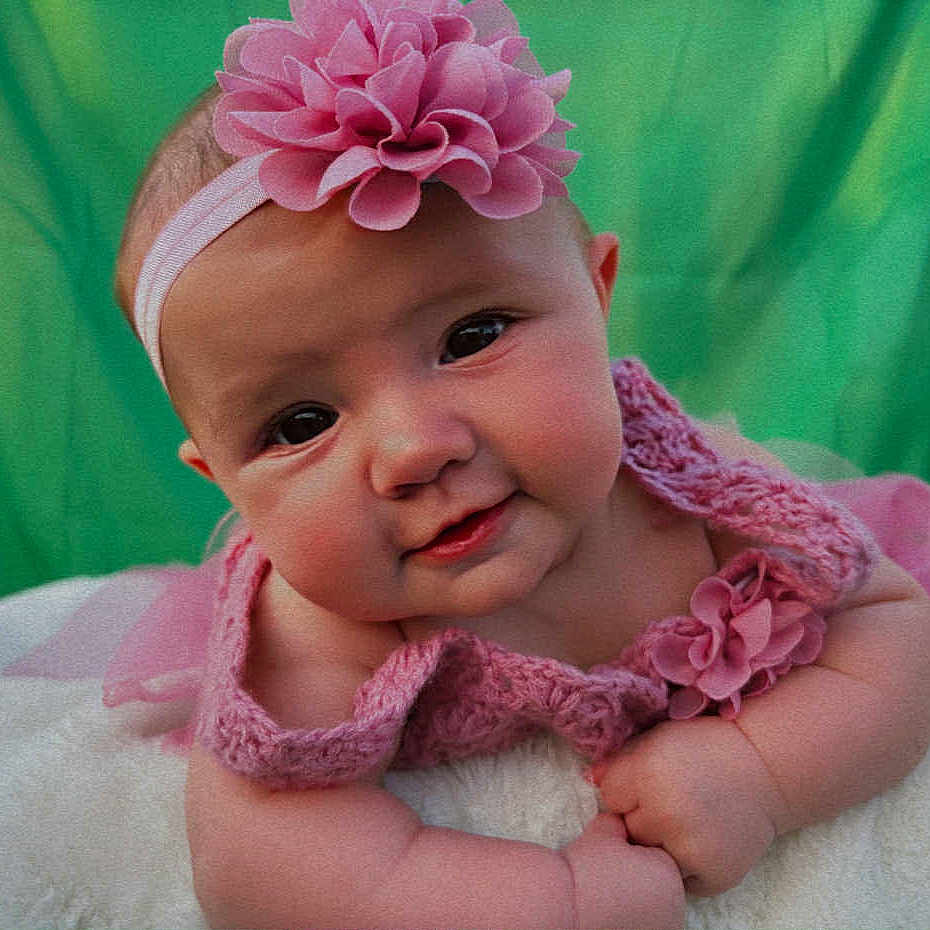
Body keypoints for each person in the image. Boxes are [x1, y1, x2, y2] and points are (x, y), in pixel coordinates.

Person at [111, 1, 930, 927]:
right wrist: (552, 900)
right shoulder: (320, 625)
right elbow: (258, 860)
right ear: (222, 479)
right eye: (301, 422)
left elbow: (894, 627)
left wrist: (761, 773)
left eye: (473, 335)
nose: (417, 450)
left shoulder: (692, 484)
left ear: (596, 289)